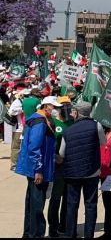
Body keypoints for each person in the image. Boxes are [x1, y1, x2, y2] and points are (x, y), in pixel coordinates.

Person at [60, 101, 107, 239]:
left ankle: (70, 234)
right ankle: (88, 234)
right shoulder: (96, 126)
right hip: (91, 172)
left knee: (72, 205)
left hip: (72, 173)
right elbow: (103, 143)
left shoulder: (67, 130)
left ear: (76, 113)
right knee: (91, 205)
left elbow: (62, 153)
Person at [17, 96, 61, 238]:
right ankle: (35, 234)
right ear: (46, 106)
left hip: (37, 166)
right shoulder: (40, 122)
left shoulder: (40, 119)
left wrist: (54, 156)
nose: (55, 109)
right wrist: (38, 170)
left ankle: (29, 232)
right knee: (37, 205)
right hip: (38, 169)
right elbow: (34, 147)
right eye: (53, 106)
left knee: (32, 203)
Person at [48, 95, 74, 238]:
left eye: (67, 106)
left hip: (70, 166)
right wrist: (54, 156)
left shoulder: (72, 123)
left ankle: (64, 225)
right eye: (62, 106)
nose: (65, 108)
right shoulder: (52, 123)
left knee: (68, 199)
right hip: (57, 167)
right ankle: (53, 227)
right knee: (56, 198)